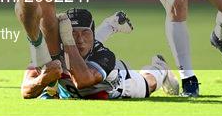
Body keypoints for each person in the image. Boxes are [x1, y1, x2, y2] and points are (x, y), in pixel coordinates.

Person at [21, 9, 180, 99]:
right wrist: (43, 80)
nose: (80, 39)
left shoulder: (104, 55)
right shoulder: (51, 50)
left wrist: (68, 39)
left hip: (121, 85)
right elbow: (25, 91)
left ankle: (160, 68)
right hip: (72, 92)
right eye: (74, 33)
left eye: (86, 33)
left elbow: (83, 80)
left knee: (149, 84)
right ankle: (110, 25)